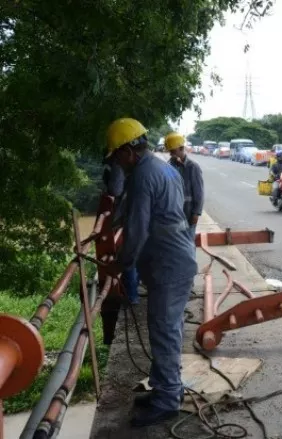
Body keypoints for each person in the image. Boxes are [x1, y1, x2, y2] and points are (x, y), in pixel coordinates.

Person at [105, 117, 197, 427]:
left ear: (129, 150)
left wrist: (121, 264)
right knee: (166, 328)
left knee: (165, 331)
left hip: (168, 264)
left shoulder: (143, 176)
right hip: (174, 258)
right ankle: (164, 388)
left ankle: (168, 400)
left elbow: (138, 228)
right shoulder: (162, 167)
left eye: (117, 155)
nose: (118, 162)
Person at [102, 156, 140, 305]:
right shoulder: (141, 165)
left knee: (128, 252)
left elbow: (115, 190)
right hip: (135, 213)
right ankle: (132, 291)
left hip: (128, 214)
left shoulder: (118, 163)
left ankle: (131, 295)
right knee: (136, 253)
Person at [165, 132, 204, 241]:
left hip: (188, 214)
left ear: (182, 148)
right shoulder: (169, 166)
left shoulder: (193, 167)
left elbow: (199, 193)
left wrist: (196, 213)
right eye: (170, 152)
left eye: (173, 151)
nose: (171, 154)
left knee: (188, 243)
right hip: (174, 214)